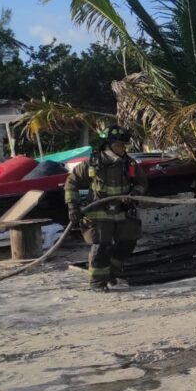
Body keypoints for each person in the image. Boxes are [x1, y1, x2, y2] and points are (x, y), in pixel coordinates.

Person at [65, 125, 147, 292]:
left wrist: (134, 193)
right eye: (119, 145)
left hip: (123, 210)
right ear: (108, 146)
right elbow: (71, 183)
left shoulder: (129, 163)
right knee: (102, 247)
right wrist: (73, 207)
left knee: (128, 242)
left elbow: (142, 182)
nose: (123, 149)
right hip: (99, 212)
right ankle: (97, 282)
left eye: (124, 146)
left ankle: (111, 273)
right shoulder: (91, 164)